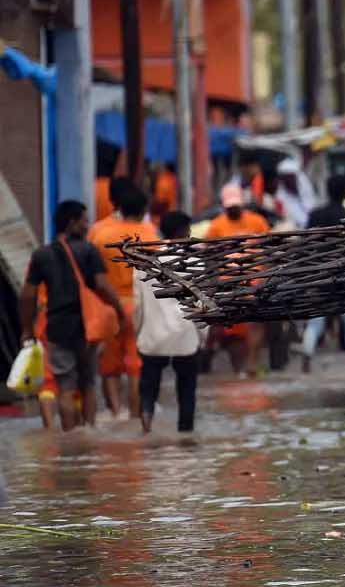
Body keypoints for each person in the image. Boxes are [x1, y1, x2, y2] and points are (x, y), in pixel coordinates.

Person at [19, 200, 128, 430]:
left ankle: (70, 441)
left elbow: (27, 295)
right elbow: (102, 285)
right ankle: (88, 434)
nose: (87, 225)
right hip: (88, 328)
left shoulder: (41, 255)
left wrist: (27, 329)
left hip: (58, 328)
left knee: (65, 388)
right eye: (84, 220)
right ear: (72, 223)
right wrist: (119, 311)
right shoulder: (89, 251)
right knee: (87, 383)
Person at [89, 183, 157, 419]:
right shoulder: (150, 234)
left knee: (110, 368)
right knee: (136, 367)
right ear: (142, 209)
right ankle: (137, 417)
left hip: (109, 307)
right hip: (141, 307)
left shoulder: (100, 233)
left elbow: (91, 275)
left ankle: (116, 414)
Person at [134, 211, 206, 434]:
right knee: (186, 391)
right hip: (185, 336)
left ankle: (146, 427)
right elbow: (202, 306)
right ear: (181, 232)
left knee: (148, 388)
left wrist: (138, 333)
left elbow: (138, 306)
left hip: (153, 337)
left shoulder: (145, 265)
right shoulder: (194, 264)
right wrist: (203, 336)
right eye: (188, 230)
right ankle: (185, 437)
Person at [207, 185, 271, 376]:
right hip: (229, 281)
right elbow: (210, 256)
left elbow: (267, 252)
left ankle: (251, 363)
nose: (233, 209)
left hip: (254, 278)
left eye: (236, 205)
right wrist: (214, 281)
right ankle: (238, 368)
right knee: (232, 329)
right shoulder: (216, 226)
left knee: (257, 323)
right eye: (230, 206)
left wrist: (265, 277)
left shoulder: (257, 222)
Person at [302, 175, 345, 372]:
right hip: (344, 275)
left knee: (316, 321)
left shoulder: (315, 215)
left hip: (319, 274)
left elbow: (305, 245)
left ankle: (307, 356)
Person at [275, 158, 316, 228]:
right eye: (286, 178)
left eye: (291, 177)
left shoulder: (305, 192)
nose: (289, 180)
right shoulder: (279, 198)